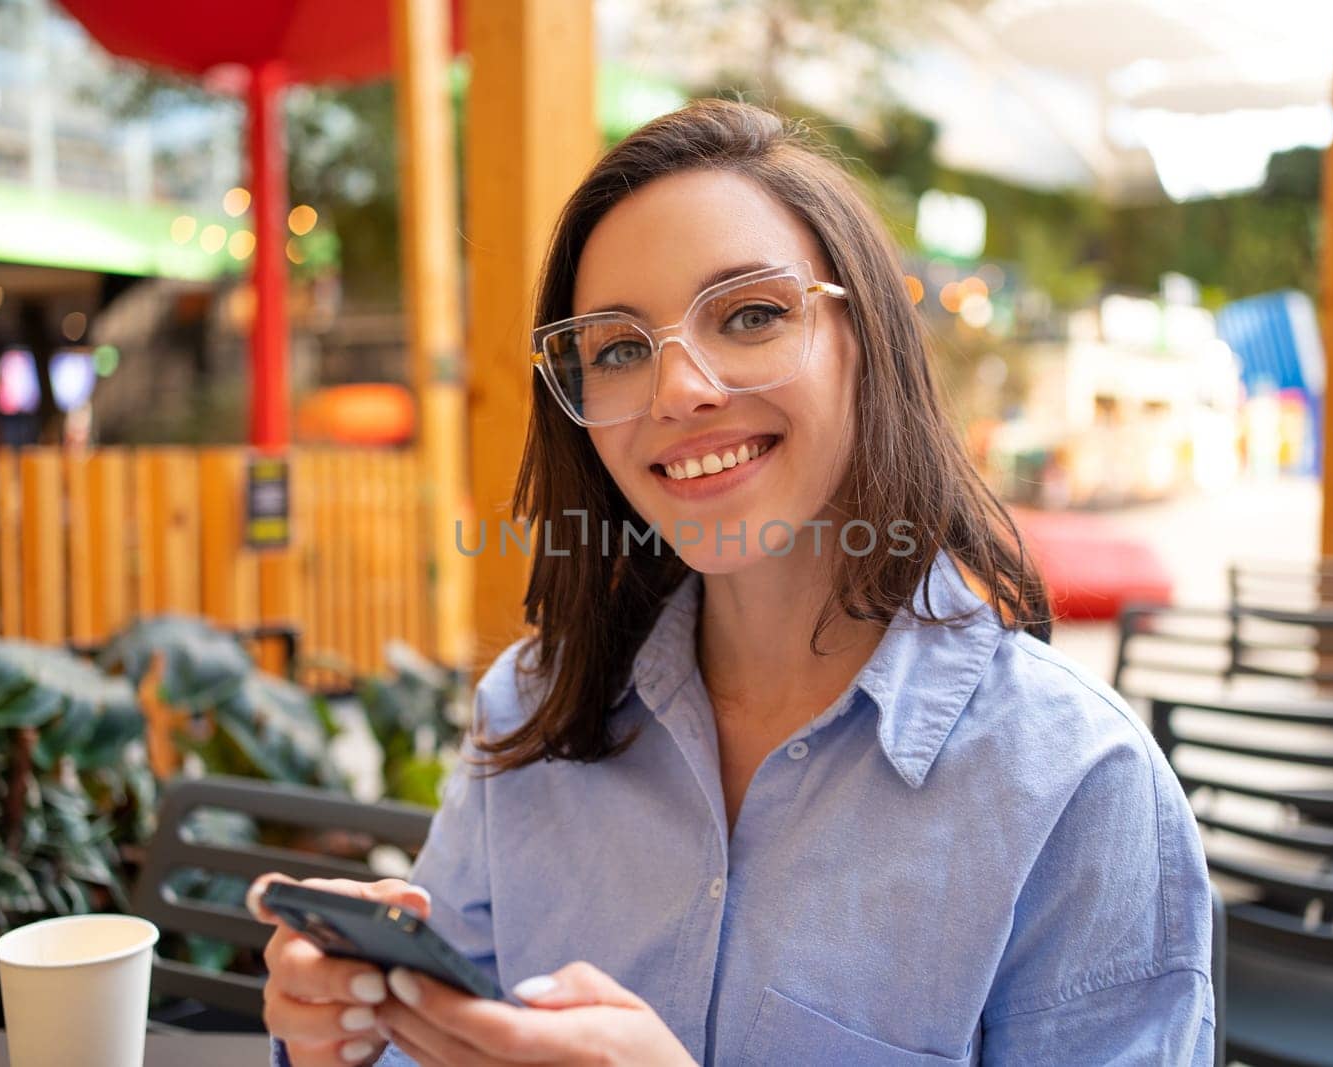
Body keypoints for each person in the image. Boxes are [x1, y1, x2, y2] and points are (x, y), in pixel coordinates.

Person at [254, 99, 1214, 1066]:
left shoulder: (1078, 785)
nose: (680, 390)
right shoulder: (533, 707)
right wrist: (352, 1035)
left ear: (866, 341)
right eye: (621, 349)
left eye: (752, 314)